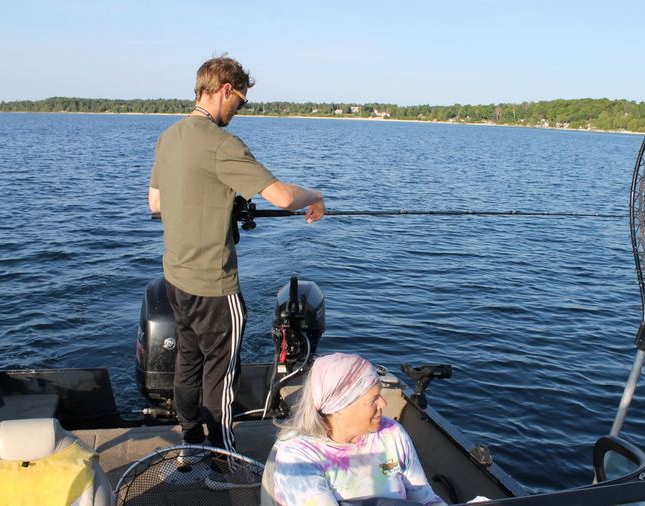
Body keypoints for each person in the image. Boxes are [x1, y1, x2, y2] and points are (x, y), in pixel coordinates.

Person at [148, 55, 325, 459]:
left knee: (188, 365)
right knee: (222, 375)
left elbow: (156, 203)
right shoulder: (221, 143)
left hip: (176, 278)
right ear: (226, 90)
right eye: (241, 102)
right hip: (214, 286)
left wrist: (216, 201)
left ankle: (190, 445)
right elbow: (283, 197)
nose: (239, 111)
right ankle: (223, 461)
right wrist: (316, 195)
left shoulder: (168, 137)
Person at [271, 353, 446, 505]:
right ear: (339, 407)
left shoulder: (391, 433)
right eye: (373, 400)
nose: (383, 403)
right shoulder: (298, 456)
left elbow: (425, 498)